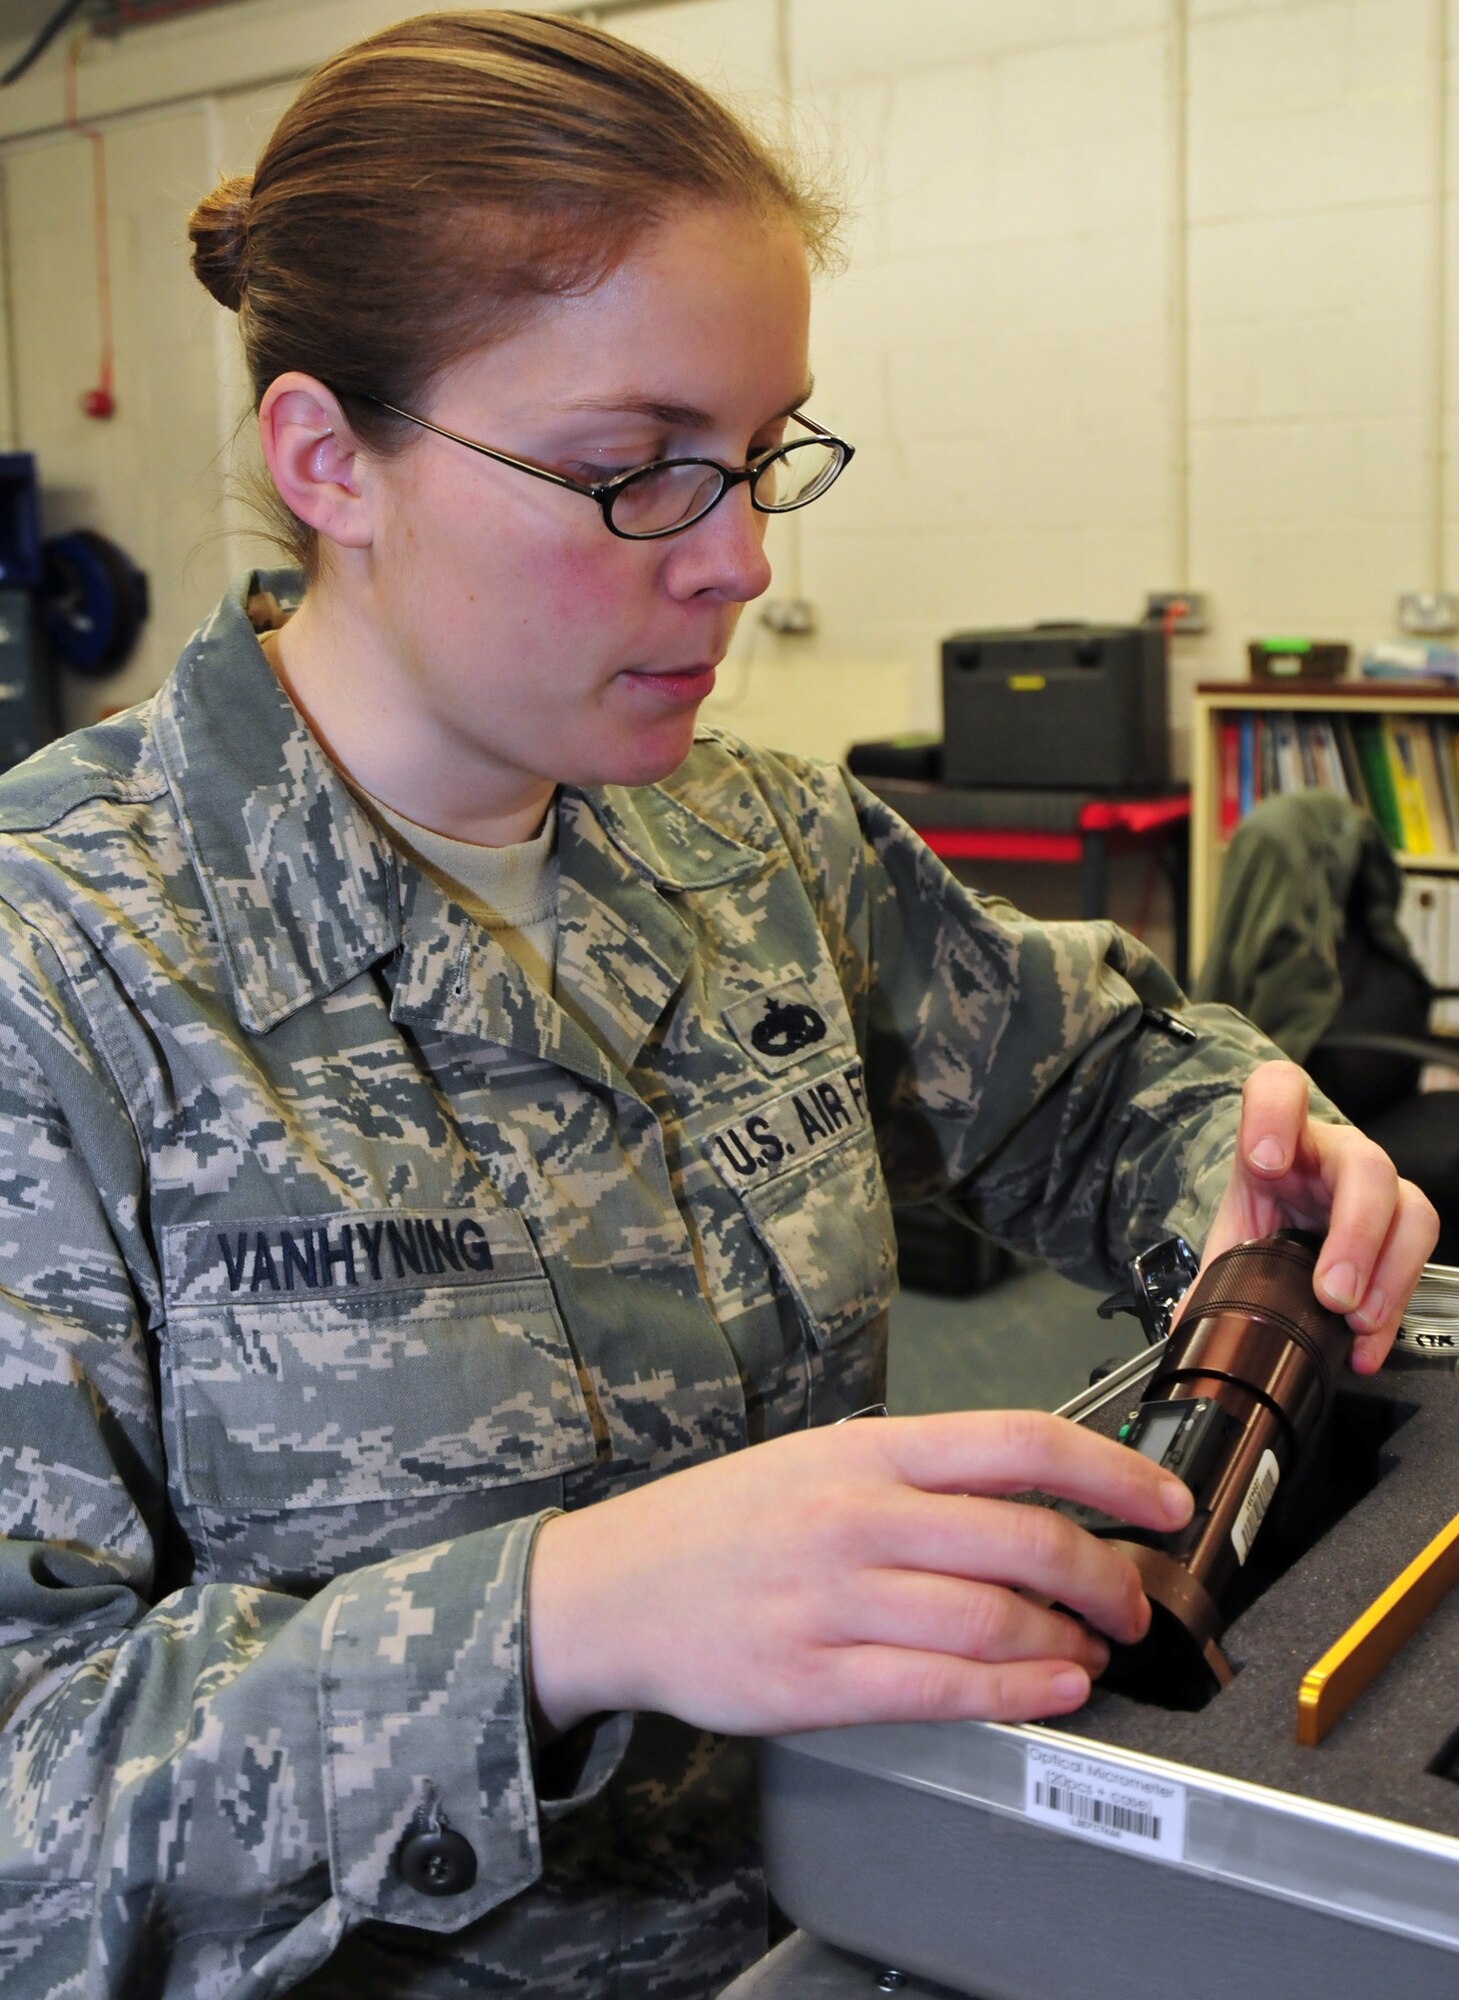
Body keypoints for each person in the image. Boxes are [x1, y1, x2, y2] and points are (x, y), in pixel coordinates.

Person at [0, 12, 1435, 1997]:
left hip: (856, 1914)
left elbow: (1095, 1082)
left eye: (762, 458)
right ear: (327, 460)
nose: (743, 561)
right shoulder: (60, 973)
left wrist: (1254, 1162)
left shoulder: (755, 841)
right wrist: (558, 1617)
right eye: (633, 474)